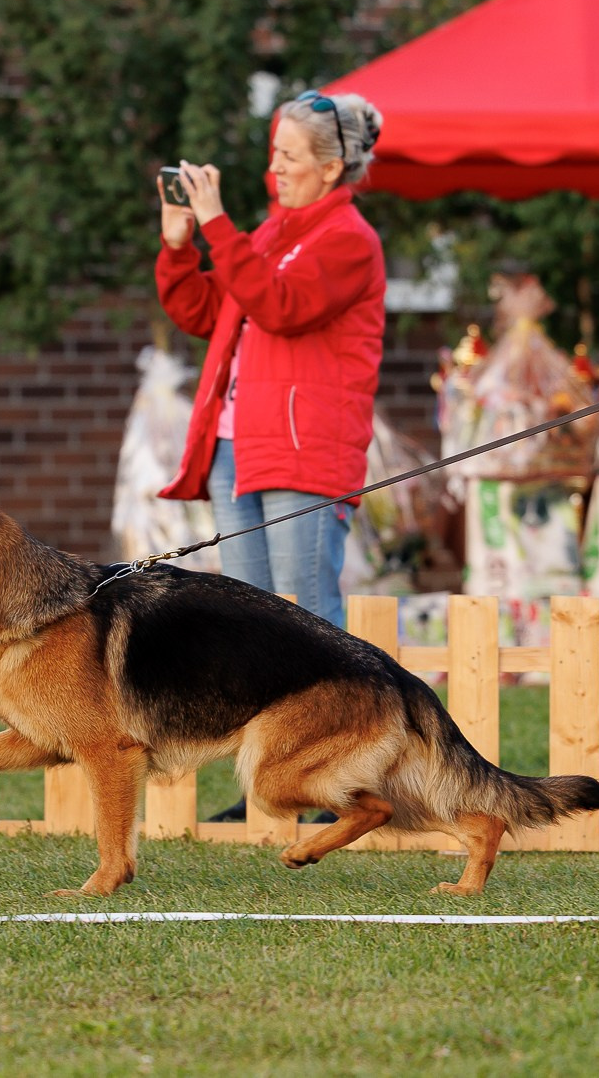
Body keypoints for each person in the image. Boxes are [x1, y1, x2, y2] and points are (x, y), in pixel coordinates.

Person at [155, 91, 386, 821]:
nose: (273, 168)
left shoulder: (348, 239)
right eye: (273, 153)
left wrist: (221, 227)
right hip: (238, 445)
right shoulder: (269, 232)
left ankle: (336, 781)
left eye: (288, 155)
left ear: (331, 166)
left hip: (303, 449)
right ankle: (264, 788)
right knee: (248, 628)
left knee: (309, 614)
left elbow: (282, 305)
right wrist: (179, 245)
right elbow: (205, 310)